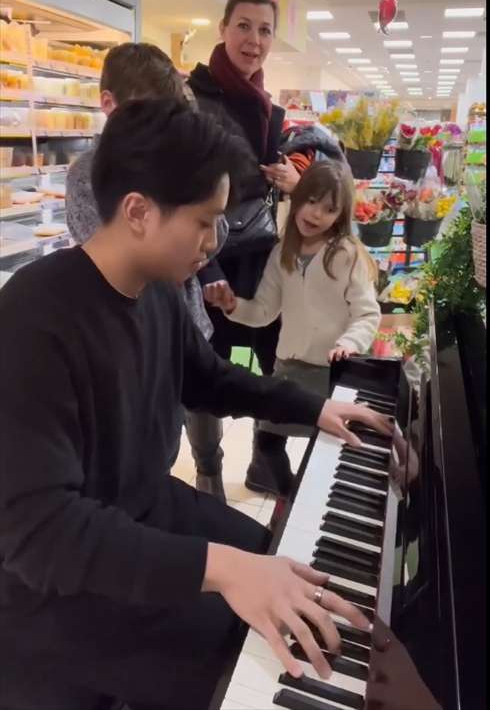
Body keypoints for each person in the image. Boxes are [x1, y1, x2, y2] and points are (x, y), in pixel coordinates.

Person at [0, 99, 392, 710]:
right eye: (205, 222)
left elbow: (208, 379)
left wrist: (315, 409)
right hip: (56, 590)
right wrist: (222, 569)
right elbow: (44, 534)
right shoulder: (31, 320)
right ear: (138, 212)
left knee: (284, 564)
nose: (213, 244)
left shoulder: (156, 290)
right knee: (248, 645)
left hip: (145, 510)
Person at [65, 42, 229, 498]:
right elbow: (119, 257)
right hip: (127, 335)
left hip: (182, 319)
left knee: (195, 419)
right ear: (109, 103)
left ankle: (207, 479)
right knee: (142, 448)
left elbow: (217, 232)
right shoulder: (87, 175)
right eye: (144, 113)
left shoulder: (173, 161)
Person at [187, 0, 303, 500]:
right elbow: (183, 191)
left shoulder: (266, 107)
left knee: (273, 353)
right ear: (223, 28)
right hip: (207, 254)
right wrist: (205, 267)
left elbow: (262, 183)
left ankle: (264, 458)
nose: (254, 40)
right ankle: (208, 472)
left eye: (265, 30)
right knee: (202, 362)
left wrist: (294, 181)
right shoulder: (193, 99)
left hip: (260, 255)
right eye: (243, 26)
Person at [212, 161, 382, 455]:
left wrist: (349, 343)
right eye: (311, 201)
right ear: (298, 197)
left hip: (333, 372)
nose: (316, 214)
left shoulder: (348, 254)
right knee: (267, 447)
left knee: (327, 451)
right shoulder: (283, 252)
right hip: (289, 369)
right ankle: (278, 486)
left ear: (341, 214)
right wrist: (232, 306)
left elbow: (367, 314)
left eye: (329, 209)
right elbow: (264, 312)